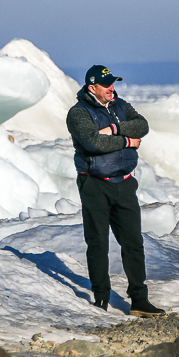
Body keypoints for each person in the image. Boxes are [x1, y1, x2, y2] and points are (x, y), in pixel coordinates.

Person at [66, 65, 165, 316]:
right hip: (94, 184)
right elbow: (93, 143)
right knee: (98, 243)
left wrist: (114, 129)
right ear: (92, 88)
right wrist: (127, 141)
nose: (112, 88)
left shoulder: (120, 106)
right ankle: (101, 298)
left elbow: (142, 126)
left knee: (133, 243)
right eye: (106, 84)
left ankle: (139, 300)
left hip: (125, 183)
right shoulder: (78, 113)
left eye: (113, 83)